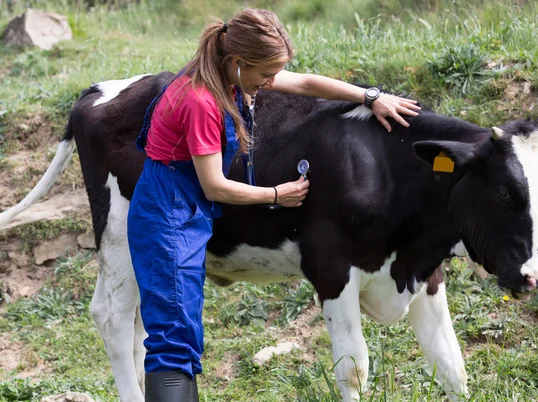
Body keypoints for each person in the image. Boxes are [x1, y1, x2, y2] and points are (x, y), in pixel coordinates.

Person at [127, 8, 420, 402]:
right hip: (168, 214)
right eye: (266, 74)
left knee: (182, 332)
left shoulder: (223, 74)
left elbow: (304, 84)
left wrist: (371, 97)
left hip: (185, 210)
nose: (270, 83)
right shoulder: (200, 101)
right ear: (239, 63)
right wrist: (277, 195)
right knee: (173, 337)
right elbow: (214, 186)